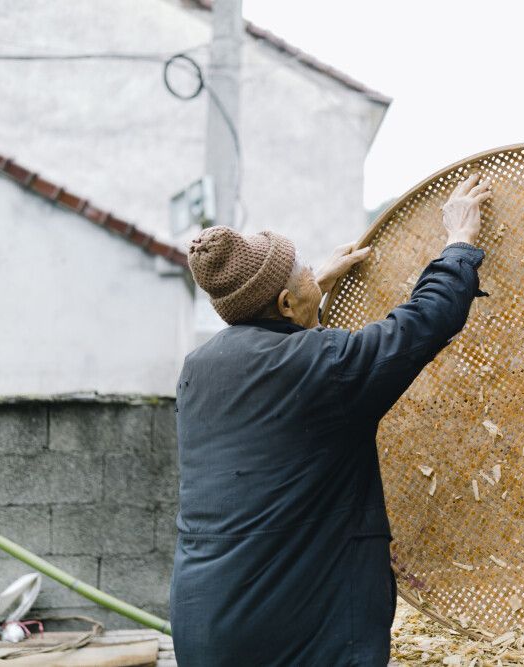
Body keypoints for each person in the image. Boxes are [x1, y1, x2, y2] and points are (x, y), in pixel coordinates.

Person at [170, 174, 491, 666]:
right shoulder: (320, 366)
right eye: (300, 269)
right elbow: (424, 321)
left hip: (205, 624)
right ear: (282, 303)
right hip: (297, 627)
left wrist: (307, 289)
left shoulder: (199, 369)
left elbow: (271, 336)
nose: (310, 272)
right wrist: (460, 243)